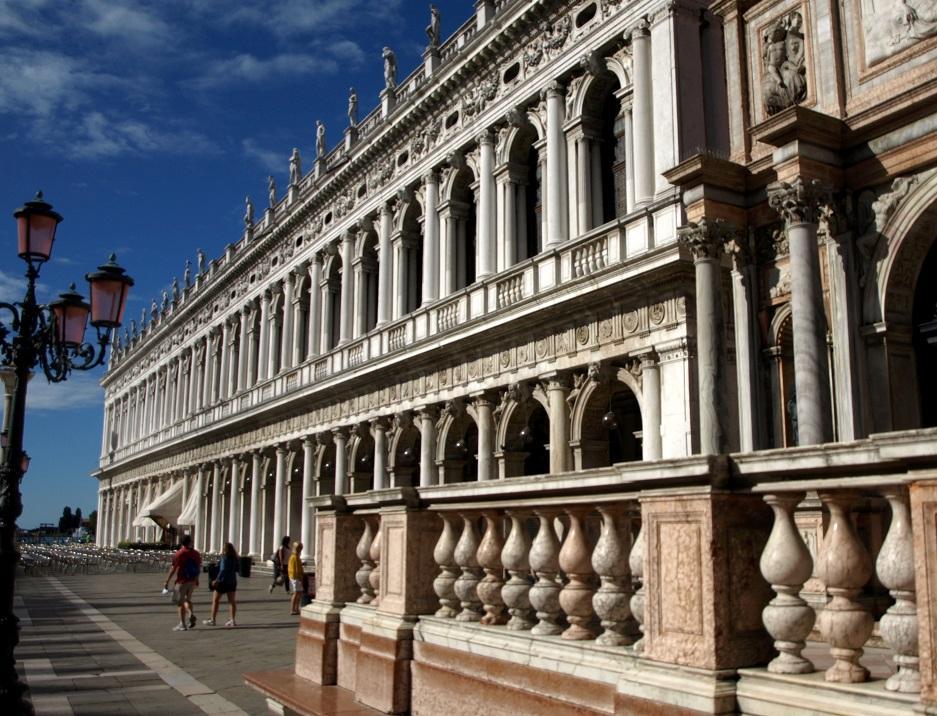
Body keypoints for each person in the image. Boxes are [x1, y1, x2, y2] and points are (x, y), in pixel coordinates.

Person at [163, 534, 201, 631]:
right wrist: (196, 579)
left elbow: (173, 568)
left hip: (182, 580)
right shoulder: (196, 553)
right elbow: (198, 567)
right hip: (192, 580)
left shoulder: (180, 554)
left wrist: (167, 581)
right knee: (187, 599)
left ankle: (182, 624)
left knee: (180, 602)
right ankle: (190, 613)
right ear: (190, 542)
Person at [204, 542, 238, 627]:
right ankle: (232, 620)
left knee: (215, 600)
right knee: (231, 601)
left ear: (225, 550)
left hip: (223, 582)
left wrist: (216, 580)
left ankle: (213, 619)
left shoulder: (224, 558)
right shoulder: (235, 558)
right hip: (232, 581)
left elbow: (222, 570)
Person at [288, 542, 304, 615]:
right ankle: (293, 609)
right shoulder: (294, 557)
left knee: (299, 593)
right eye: (299, 548)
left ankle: (297, 608)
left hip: (296, 577)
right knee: (296, 593)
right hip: (295, 577)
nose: (300, 550)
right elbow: (295, 569)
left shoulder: (296, 557)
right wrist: (299, 577)